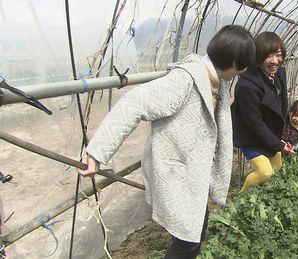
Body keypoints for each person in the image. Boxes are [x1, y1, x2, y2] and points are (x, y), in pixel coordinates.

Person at [76, 25, 255, 259]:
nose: (242, 71)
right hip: (175, 172)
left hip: (191, 172)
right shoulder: (185, 79)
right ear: (232, 61)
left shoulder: (215, 79)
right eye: (242, 66)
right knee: (188, 241)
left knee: (196, 230)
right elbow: (134, 103)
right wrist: (97, 153)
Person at [231, 31, 290, 192]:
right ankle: (242, 198)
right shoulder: (246, 86)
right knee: (265, 173)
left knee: (277, 166)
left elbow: (282, 103)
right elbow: (254, 124)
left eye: (278, 55)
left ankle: (261, 195)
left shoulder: (279, 74)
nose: (274, 61)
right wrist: (278, 144)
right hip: (250, 136)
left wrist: (280, 139)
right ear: (257, 56)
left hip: (268, 134)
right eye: (268, 56)